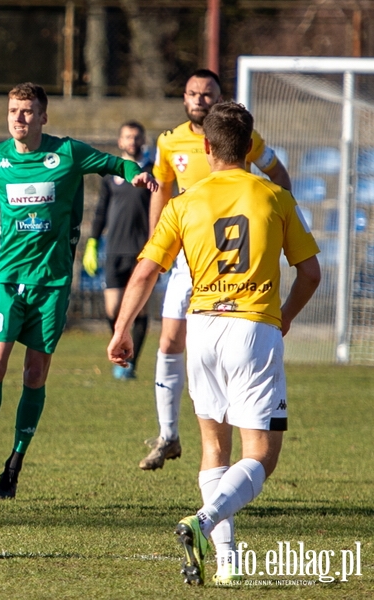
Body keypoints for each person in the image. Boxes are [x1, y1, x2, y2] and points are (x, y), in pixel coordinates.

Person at [108, 101, 320, 585]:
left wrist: (121, 329)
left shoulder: (185, 203)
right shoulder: (274, 198)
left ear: (206, 147)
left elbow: (145, 270)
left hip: (201, 330)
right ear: (250, 147)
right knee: (261, 455)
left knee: (213, 447)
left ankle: (228, 564)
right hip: (253, 331)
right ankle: (201, 521)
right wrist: (283, 317)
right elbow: (311, 273)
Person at [0, 82, 157, 499]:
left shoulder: (66, 153)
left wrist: (135, 172)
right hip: (7, 281)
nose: (19, 118)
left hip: (53, 284)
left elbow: (113, 164)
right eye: (13, 110)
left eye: (27, 111)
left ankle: (14, 465)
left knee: (34, 374)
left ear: (43, 116)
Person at [142, 69, 292, 472]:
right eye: (192, 93)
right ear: (184, 97)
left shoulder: (241, 137)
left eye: (208, 94)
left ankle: (220, 432)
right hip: (187, 256)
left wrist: (281, 217)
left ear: (219, 97)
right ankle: (168, 433)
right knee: (171, 339)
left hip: (232, 256)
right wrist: (159, 244)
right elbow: (162, 191)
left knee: (209, 343)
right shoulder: (169, 142)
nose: (199, 100)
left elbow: (277, 172)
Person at [82, 121, 153, 380]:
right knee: (113, 309)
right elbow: (101, 211)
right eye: (127, 137)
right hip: (114, 250)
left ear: (143, 139)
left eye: (136, 136)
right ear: (120, 141)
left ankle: (132, 363)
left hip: (143, 252)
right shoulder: (112, 176)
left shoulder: (151, 172)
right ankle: (121, 349)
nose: (132, 141)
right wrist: (92, 242)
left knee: (140, 310)